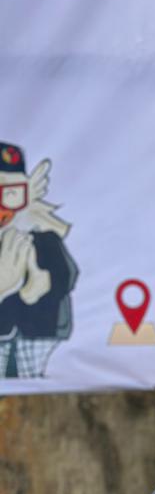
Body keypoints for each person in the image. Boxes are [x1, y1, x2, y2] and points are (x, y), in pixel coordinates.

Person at [0, 145, 78, 377]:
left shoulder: (42, 238)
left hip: (37, 335)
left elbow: (66, 275)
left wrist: (38, 288)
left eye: (10, 194)